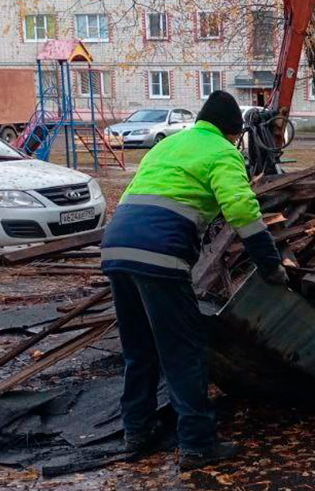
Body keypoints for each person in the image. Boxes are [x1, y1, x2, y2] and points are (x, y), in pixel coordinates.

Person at [100, 90, 287, 471]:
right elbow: (240, 208)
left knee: (139, 348)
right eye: (237, 138)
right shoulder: (222, 152)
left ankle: (137, 431)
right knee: (183, 352)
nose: (236, 143)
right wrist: (270, 264)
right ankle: (199, 445)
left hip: (116, 249)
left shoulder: (169, 145)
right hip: (159, 254)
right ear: (232, 132)